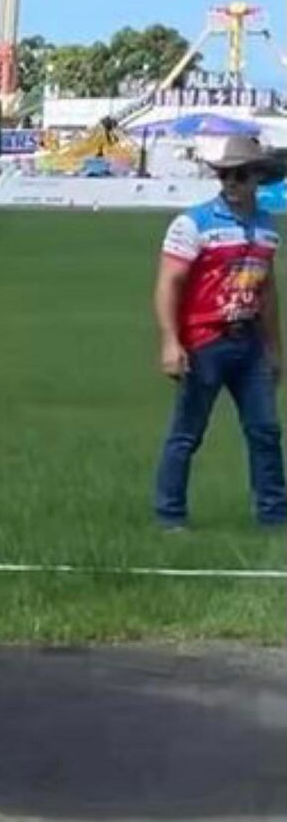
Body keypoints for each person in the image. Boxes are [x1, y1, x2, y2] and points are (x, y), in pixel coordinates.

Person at [152, 134, 284, 530]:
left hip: (250, 345)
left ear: (257, 177)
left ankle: (274, 516)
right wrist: (171, 341)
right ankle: (169, 516)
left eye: (240, 175)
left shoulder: (266, 228)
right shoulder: (193, 223)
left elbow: (267, 289)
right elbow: (168, 284)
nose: (231, 183)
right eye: (225, 175)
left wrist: (275, 348)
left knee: (265, 431)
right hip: (205, 341)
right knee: (187, 434)